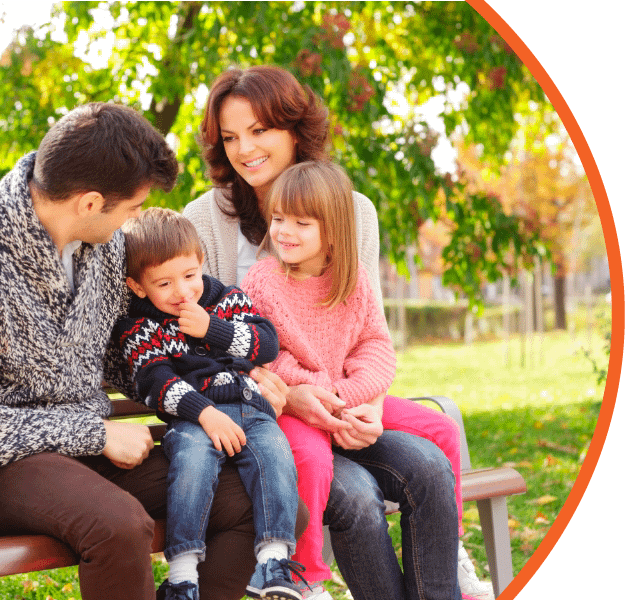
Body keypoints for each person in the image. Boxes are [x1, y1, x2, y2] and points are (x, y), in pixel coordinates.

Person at [0, 102, 305, 600]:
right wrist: (94, 434)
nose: (135, 222)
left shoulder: (107, 250)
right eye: (134, 209)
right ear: (91, 203)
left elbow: (136, 359)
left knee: (261, 500)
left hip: (87, 454)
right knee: (120, 526)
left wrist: (230, 384)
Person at [183, 65, 493, 600]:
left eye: (259, 130)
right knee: (353, 495)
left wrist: (364, 400)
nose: (244, 149)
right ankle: (305, 581)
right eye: (230, 137)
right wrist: (295, 395)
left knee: (431, 458)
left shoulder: (352, 212)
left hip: (345, 400)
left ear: (294, 130)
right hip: (265, 414)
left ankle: (446, 572)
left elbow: (364, 329)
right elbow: (204, 339)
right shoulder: (204, 221)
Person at [113, 207, 307, 600]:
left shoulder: (224, 300)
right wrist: (206, 414)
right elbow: (156, 382)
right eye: (164, 283)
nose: (183, 292)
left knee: (275, 456)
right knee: (193, 463)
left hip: (252, 409)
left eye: (189, 275)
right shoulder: (141, 326)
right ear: (137, 286)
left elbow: (266, 342)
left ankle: (272, 562)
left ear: (201, 261)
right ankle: (183, 575)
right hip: (194, 419)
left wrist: (212, 329)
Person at [242, 160, 397, 596]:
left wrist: (349, 396)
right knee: (310, 460)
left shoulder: (354, 280)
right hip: (294, 405)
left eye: (300, 222)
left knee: (439, 428)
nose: (284, 231)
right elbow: (263, 355)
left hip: (347, 399)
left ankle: (454, 545)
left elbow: (377, 346)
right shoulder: (264, 280)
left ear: (331, 231)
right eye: (277, 219)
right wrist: (317, 393)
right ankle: (304, 577)